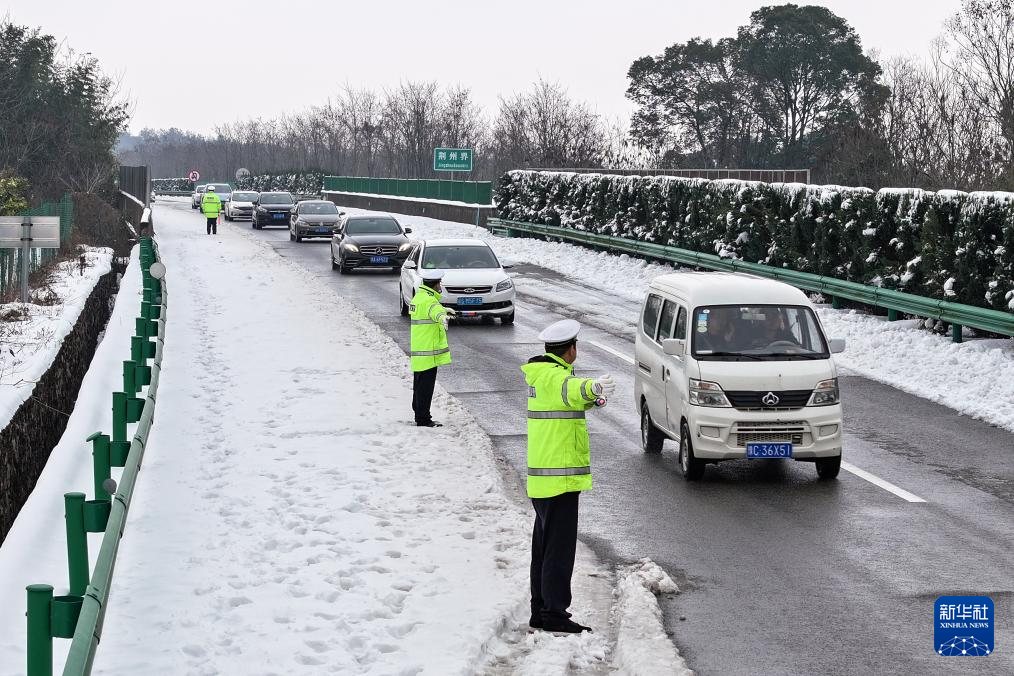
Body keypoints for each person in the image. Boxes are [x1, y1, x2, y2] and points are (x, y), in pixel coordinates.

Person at [521, 319, 615, 634]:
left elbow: (570, 398)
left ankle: (541, 609)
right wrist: (595, 387)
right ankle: (555, 614)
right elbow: (573, 389)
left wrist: (594, 399)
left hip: (545, 479)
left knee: (544, 550)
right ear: (570, 349)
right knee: (559, 552)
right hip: (559, 481)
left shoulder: (543, 375)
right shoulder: (554, 377)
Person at [409, 270, 456, 427]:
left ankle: (419, 413)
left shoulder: (419, 298)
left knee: (419, 385)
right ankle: (423, 419)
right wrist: (442, 316)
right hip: (429, 353)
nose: (440, 286)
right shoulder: (430, 302)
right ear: (435, 284)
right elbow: (434, 312)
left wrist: (444, 310)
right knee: (425, 388)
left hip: (420, 351)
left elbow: (429, 311)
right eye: (439, 283)